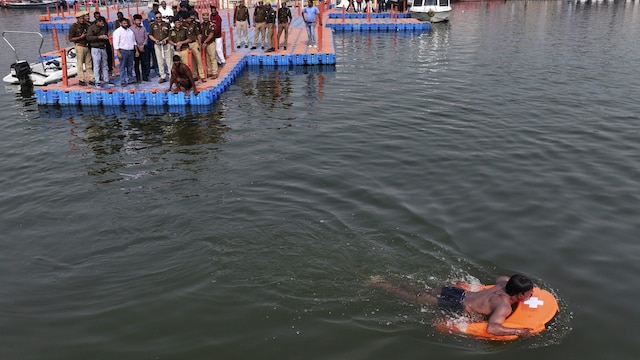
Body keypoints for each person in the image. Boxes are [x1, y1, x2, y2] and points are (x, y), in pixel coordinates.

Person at [369, 274, 535, 337]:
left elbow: (502, 276)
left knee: (421, 290)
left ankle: (384, 279)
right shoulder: (504, 307)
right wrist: (519, 331)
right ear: (520, 295)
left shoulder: (503, 283)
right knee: (415, 298)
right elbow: (492, 328)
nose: (531, 295)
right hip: (457, 305)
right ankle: (380, 285)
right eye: (529, 293)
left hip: (458, 292)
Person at [68, 11, 94, 86]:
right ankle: (81, 79)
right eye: (80, 18)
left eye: (83, 18)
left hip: (87, 46)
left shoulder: (86, 25)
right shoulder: (74, 27)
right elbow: (70, 39)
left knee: (88, 64)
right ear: (77, 19)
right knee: (80, 64)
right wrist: (80, 37)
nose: (82, 20)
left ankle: (91, 78)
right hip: (79, 46)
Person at [86, 16, 112, 87]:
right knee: (96, 65)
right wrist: (98, 37)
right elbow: (88, 37)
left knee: (105, 64)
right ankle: (97, 81)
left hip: (103, 47)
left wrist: (105, 38)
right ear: (97, 22)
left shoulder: (104, 27)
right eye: (101, 22)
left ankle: (106, 80)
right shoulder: (91, 28)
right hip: (95, 48)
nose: (102, 24)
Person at [149, 10, 173, 83]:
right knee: (160, 61)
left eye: (160, 17)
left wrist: (166, 39)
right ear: (155, 18)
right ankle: (162, 76)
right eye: (157, 17)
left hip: (166, 44)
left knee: (169, 60)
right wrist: (155, 40)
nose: (159, 18)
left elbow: (170, 34)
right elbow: (150, 35)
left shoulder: (166, 24)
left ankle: (172, 75)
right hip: (157, 44)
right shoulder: (152, 25)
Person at [112, 18, 136, 86]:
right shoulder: (117, 32)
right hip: (123, 51)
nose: (125, 24)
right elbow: (115, 43)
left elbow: (134, 41)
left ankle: (130, 78)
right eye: (124, 23)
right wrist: (118, 52)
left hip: (130, 50)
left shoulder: (130, 31)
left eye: (126, 23)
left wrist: (135, 50)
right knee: (122, 66)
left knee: (130, 66)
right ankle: (122, 80)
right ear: (120, 24)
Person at [183, 11, 205, 82]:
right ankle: (194, 75)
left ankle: (202, 76)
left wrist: (199, 44)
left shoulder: (194, 24)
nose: (190, 19)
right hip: (187, 44)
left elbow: (198, 34)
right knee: (191, 61)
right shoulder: (182, 26)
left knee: (198, 59)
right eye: (189, 18)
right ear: (185, 19)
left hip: (194, 43)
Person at [131, 14, 150, 83]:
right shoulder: (131, 29)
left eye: (140, 20)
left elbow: (146, 38)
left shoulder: (143, 28)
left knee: (144, 63)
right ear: (134, 21)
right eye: (137, 20)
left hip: (143, 47)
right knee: (136, 64)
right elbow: (132, 40)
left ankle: (145, 76)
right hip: (135, 48)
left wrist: (143, 45)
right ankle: (138, 78)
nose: (139, 22)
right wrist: (137, 48)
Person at [200, 12, 218, 79]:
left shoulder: (211, 25)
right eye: (204, 18)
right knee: (207, 58)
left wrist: (205, 41)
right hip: (204, 44)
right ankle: (209, 72)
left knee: (212, 58)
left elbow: (211, 35)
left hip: (210, 43)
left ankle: (215, 73)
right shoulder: (201, 25)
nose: (205, 19)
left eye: (207, 18)